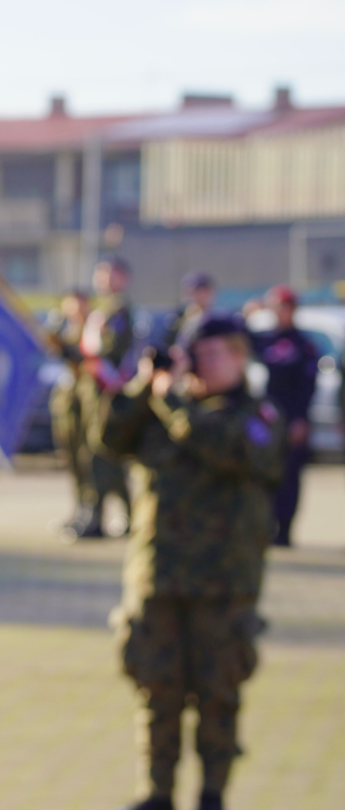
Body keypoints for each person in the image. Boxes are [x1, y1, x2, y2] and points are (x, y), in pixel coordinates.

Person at [101, 317, 281, 810]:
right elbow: (110, 437)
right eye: (196, 355)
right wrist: (144, 383)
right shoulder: (161, 408)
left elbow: (224, 448)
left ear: (242, 357)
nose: (201, 365)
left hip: (223, 585)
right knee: (157, 693)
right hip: (158, 577)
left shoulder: (254, 416)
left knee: (217, 696)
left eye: (214, 355)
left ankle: (212, 794)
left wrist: (169, 397)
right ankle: (157, 792)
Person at [71, 257, 136, 539]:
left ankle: (104, 516)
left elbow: (111, 352)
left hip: (106, 395)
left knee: (104, 456)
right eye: (101, 275)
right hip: (91, 395)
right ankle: (93, 512)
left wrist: (85, 358)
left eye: (110, 275)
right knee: (90, 455)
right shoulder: (101, 310)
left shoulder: (119, 311)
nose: (104, 280)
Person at [250, 285, 319, 547]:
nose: (281, 312)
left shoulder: (303, 344)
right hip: (266, 419)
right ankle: (266, 526)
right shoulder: (263, 339)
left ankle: (285, 530)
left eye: (286, 307)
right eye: (277, 306)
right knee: (265, 473)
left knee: (289, 476)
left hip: (292, 420)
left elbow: (308, 385)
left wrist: (301, 419)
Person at [48, 286, 96, 535]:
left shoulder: (93, 329)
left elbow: (90, 358)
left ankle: (92, 513)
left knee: (89, 459)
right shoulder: (65, 330)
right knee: (72, 459)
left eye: (79, 302)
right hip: (68, 402)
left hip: (87, 404)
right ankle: (79, 509)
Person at [161, 272, 216, 350]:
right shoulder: (179, 317)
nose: (200, 296)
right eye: (196, 292)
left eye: (204, 291)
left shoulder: (217, 318)